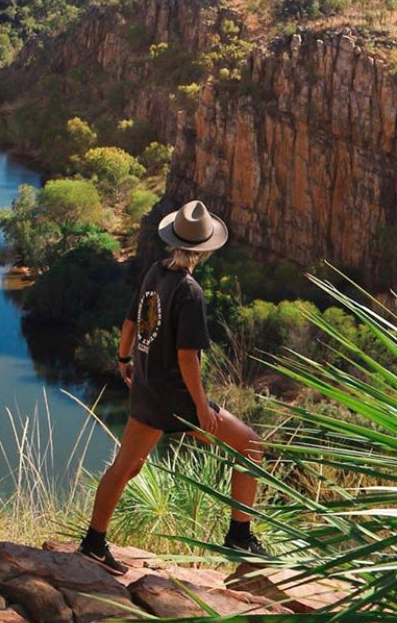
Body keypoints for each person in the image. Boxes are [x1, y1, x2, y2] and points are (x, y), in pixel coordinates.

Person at [79, 199, 268, 574]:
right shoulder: (190, 291)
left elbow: (131, 319)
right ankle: (239, 534)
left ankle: (93, 543)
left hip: (148, 390)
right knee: (251, 446)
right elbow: (187, 357)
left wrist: (123, 359)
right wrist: (201, 407)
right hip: (178, 398)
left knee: (125, 468)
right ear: (204, 249)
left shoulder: (154, 271)